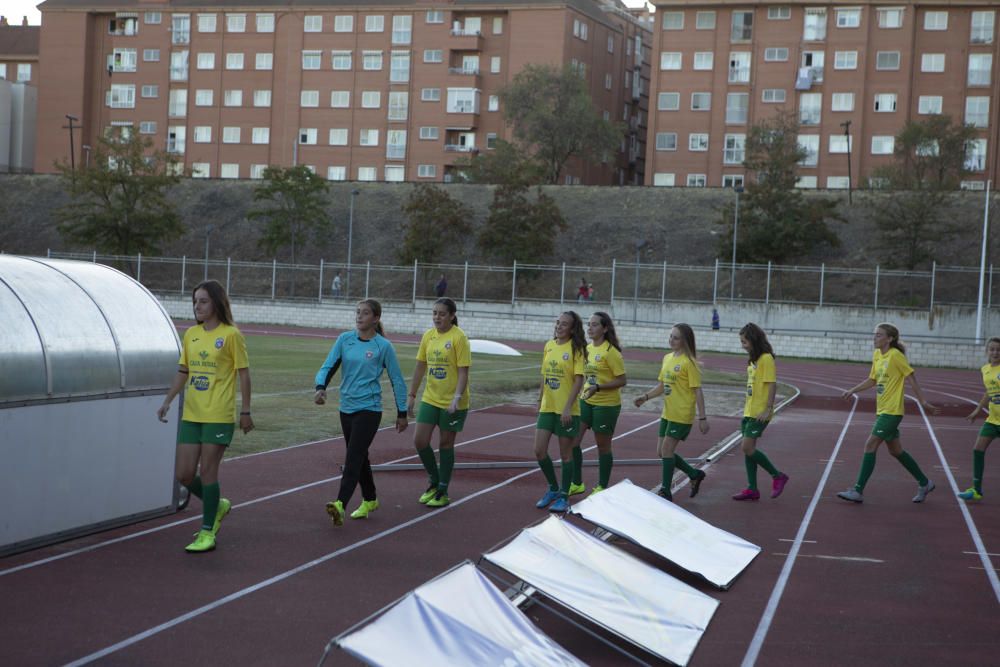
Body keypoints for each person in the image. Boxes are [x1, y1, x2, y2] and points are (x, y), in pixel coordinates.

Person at [157, 280, 254, 553]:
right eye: (195, 301)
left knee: (208, 473)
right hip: (193, 414)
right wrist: (168, 400)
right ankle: (218, 504)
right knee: (184, 475)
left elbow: (244, 374)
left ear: (216, 303)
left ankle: (207, 531)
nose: (197, 306)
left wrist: (245, 411)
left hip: (219, 415)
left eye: (203, 301)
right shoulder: (191, 334)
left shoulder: (232, 335)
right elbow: (183, 371)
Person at [314, 299, 408, 525]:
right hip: (346, 408)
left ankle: (340, 504)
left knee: (353, 456)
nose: (359, 316)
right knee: (360, 455)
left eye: (365, 313)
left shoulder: (383, 346)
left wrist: (402, 412)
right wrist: (320, 388)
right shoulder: (344, 340)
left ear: (376, 318)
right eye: (357, 312)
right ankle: (370, 498)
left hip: (370, 409)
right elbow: (328, 366)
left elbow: (397, 379)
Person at [837, 323, 938, 504]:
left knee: (870, 445)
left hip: (892, 411)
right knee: (896, 450)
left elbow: (911, 378)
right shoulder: (877, 355)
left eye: (879, 335)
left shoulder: (896, 356)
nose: (874, 338)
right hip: (882, 410)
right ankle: (925, 482)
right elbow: (872, 379)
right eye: (875, 334)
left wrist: (922, 401)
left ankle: (858, 490)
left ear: (890, 339)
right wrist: (853, 390)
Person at [407, 298, 471, 508]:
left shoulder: (459, 338)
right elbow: (420, 367)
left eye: (442, 314)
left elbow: (463, 372)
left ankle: (443, 489)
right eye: (434, 313)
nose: (437, 317)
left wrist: (456, 399)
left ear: (452, 316)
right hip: (431, 398)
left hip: (452, 401)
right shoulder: (428, 336)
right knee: (420, 441)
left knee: (445, 444)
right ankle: (434, 481)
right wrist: (412, 395)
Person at [634, 323, 708, 501]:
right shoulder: (667, 358)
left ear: (685, 341)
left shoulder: (689, 363)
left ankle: (665, 491)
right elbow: (662, 386)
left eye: (676, 337)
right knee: (661, 451)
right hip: (668, 413)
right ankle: (694, 474)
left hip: (682, 413)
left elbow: (698, 390)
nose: (671, 340)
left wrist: (702, 417)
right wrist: (645, 397)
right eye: (670, 336)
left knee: (667, 450)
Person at [534, 311, 587, 513]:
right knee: (539, 451)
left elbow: (578, 380)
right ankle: (553, 488)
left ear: (572, 328)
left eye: (564, 324)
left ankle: (564, 496)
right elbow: (544, 375)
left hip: (567, 410)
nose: (559, 326)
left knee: (566, 455)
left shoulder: (577, 349)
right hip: (548, 407)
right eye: (558, 322)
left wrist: (567, 407)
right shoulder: (549, 345)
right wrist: (540, 400)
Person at [569, 312, 627, 495]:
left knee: (602, 446)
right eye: (589, 324)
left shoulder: (611, 352)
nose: (590, 328)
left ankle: (602, 486)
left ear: (605, 328)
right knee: (573, 442)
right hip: (586, 402)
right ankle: (577, 483)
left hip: (606, 405)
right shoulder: (587, 349)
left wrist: (599, 387)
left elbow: (622, 380)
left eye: (594, 325)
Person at [731, 323, 789, 501]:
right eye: (741, 342)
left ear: (754, 340)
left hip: (760, 412)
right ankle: (752, 489)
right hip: (749, 411)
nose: (743, 345)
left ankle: (777, 475)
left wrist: (768, 408)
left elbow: (772, 384)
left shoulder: (765, 359)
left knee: (747, 447)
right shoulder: (753, 360)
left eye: (745, 342)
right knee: (749, 450)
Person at [958, 336, 1000, 501]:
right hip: (993, 420)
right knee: (978, 450)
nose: (995, 352)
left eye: (998, 349)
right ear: (987, 351)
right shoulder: (985, 369)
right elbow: (988, 392)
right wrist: (977, 410)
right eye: (992, 349)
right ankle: (976, 490)